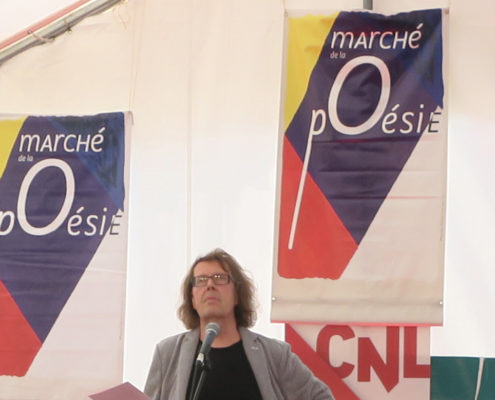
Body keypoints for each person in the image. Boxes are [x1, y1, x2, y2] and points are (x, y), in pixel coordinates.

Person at [144, 248, 335, 400]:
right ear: (192, 299)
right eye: (201, 280)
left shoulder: (275, 354)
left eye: (220, 278)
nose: (210, 285)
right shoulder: (167, 354)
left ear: (237, 294)